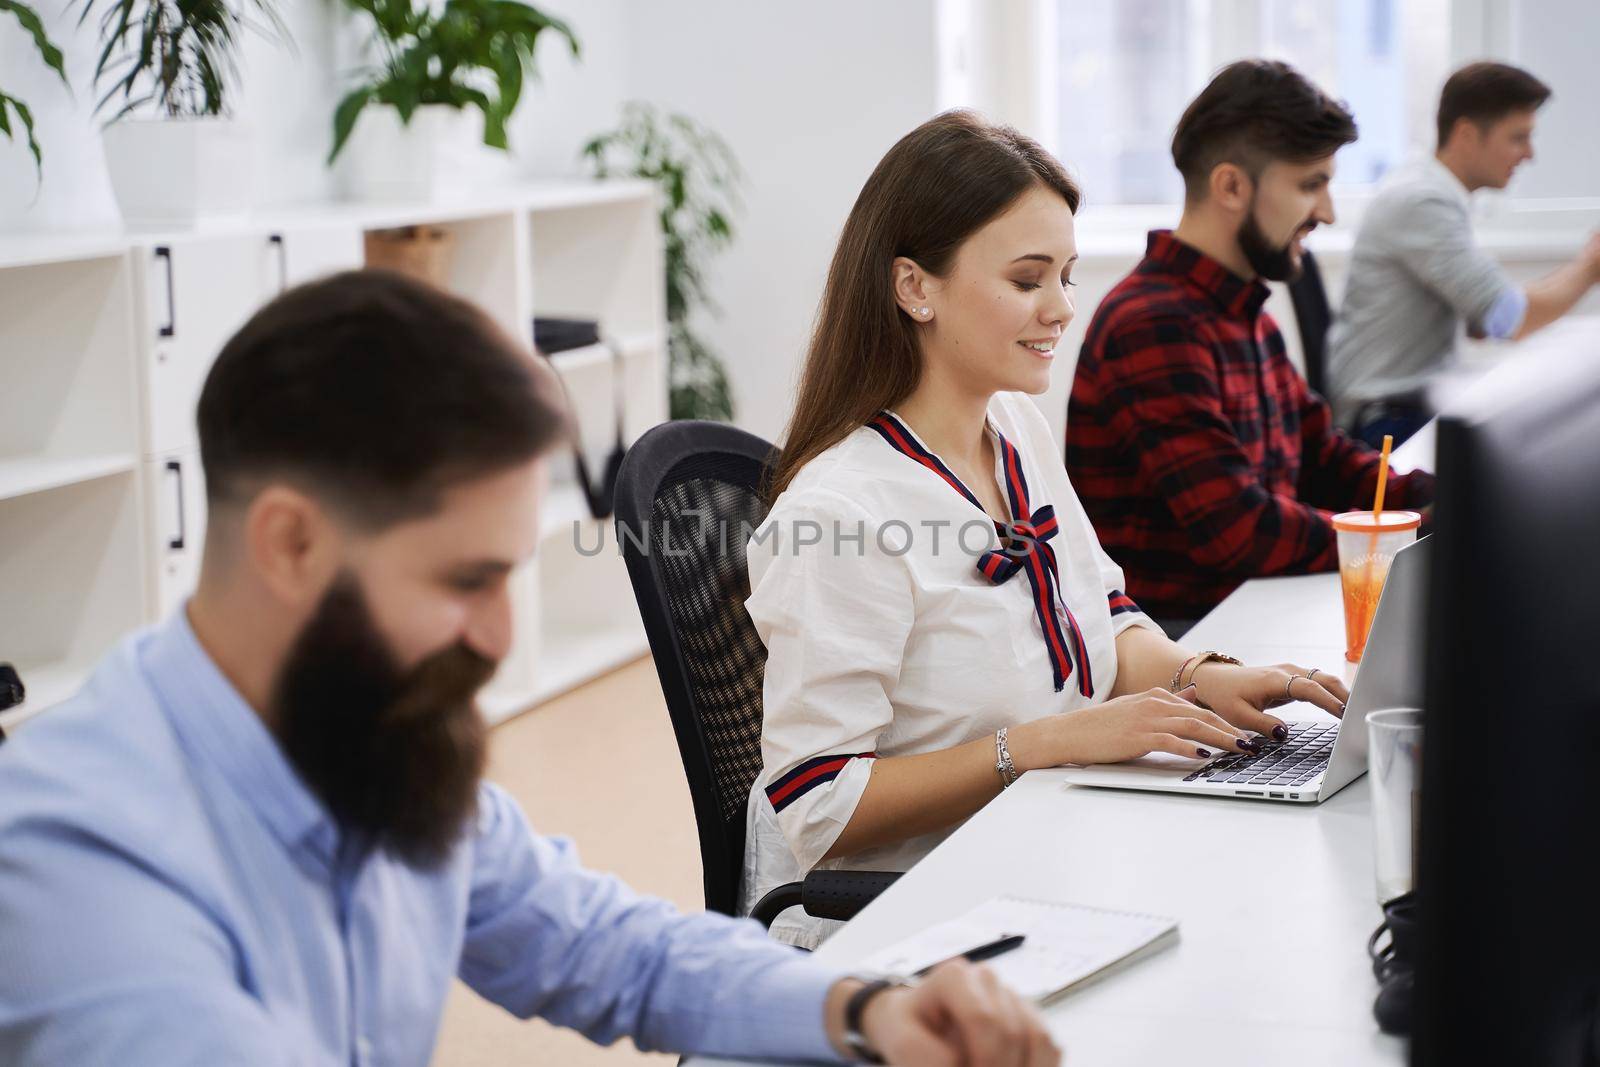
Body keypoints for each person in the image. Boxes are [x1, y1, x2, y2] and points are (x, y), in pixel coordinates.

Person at [0, 271, 1061, 1067]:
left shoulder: (359, 732)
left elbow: (613, 948)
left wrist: (864, 1008)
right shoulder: (86, 869)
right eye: (465, 577)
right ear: (288, 544)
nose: (501, 636)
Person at [745, 111, 1351, 949]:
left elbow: (1097, 619)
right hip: (906, 922)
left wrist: (1200, 673)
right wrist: (1042, 744)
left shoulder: (1016, 431)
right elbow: (816, 805)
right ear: (915, 287)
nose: (1062, 308)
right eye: (1029, 279)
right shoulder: (838, 513)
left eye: (1066, 275)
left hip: (1045, 851)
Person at [1065, 60, 1435, 632]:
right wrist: (1402, 529)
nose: (1328, 213)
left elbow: (1324, 457)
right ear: (1232, 186)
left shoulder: (1246, 319)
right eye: (1311, 184)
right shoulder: (1151, 323)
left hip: (1251, 618)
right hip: (1186, 647)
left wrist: (1443, 496)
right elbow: (1238, 531)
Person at [1328, 61, 1600, 445]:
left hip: (1403, 406)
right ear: (1467, 134)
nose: (1529, 154)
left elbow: (1486, 320)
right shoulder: (1422, 202)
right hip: (1385, 421)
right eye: (1518, 137)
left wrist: (1588, 263)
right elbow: (1511, 320)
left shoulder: (1431, 191)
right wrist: (1590, 268)